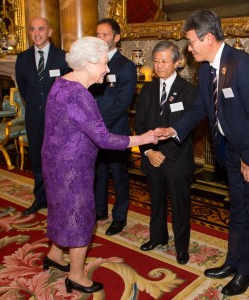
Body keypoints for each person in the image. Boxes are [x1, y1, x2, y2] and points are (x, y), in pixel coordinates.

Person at [41, 36, 157, 294]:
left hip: (54, 161)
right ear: (87, 64)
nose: (107, 69)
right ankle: (76, 275)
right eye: (104, 63)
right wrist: (144, 138)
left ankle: (55, 256)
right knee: (80, 217)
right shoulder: (79, 95)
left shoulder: (60, 84)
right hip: (72, 168)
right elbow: (103, 138)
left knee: (62, 210)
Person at [154, 10, 249, 296]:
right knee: (237, 210)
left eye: (192, 42)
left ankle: (245, 270)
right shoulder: (207, 68)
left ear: (208, 38)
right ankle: (233, 261)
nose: (189, 48)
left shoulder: (242, 65)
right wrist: (174, 131)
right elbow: (200, 109)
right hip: (229, 151)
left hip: (246, 153)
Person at [135, 41, 197, 265]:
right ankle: (157, 238)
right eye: (156, 61)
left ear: (177, 63)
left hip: (177, 158)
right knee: (156, 202)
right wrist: (150, 151)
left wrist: (165, 152)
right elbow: (140, 122)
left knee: (180, 207)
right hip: (152, 157)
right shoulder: (149, 89)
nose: (159, 66)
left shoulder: (189, 91)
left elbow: (187, 126)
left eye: (164, 61)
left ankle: (182, 248)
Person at [16, 17, 70, 215]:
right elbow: (24, 88)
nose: (36, 33)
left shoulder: (63, 57)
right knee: (37, 159)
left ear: (50, 32)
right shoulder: (22, 58)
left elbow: (69, 87)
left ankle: (59, 198)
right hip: (34, 118)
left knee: (58, 159)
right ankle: (41, 198)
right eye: (32, 29)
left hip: (58, 120)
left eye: (41, 29)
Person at [90, 18, 137, 236]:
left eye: (105, 35)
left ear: (116, 38)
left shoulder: (126, 66)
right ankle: (100, 211)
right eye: (97, 34)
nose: (100, 39)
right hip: (94, 130)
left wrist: (98, 126)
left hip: (115, 131)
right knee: (98, 173)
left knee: (119, 176)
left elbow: (122, 104)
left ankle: (119, 217)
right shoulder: (91, 62)